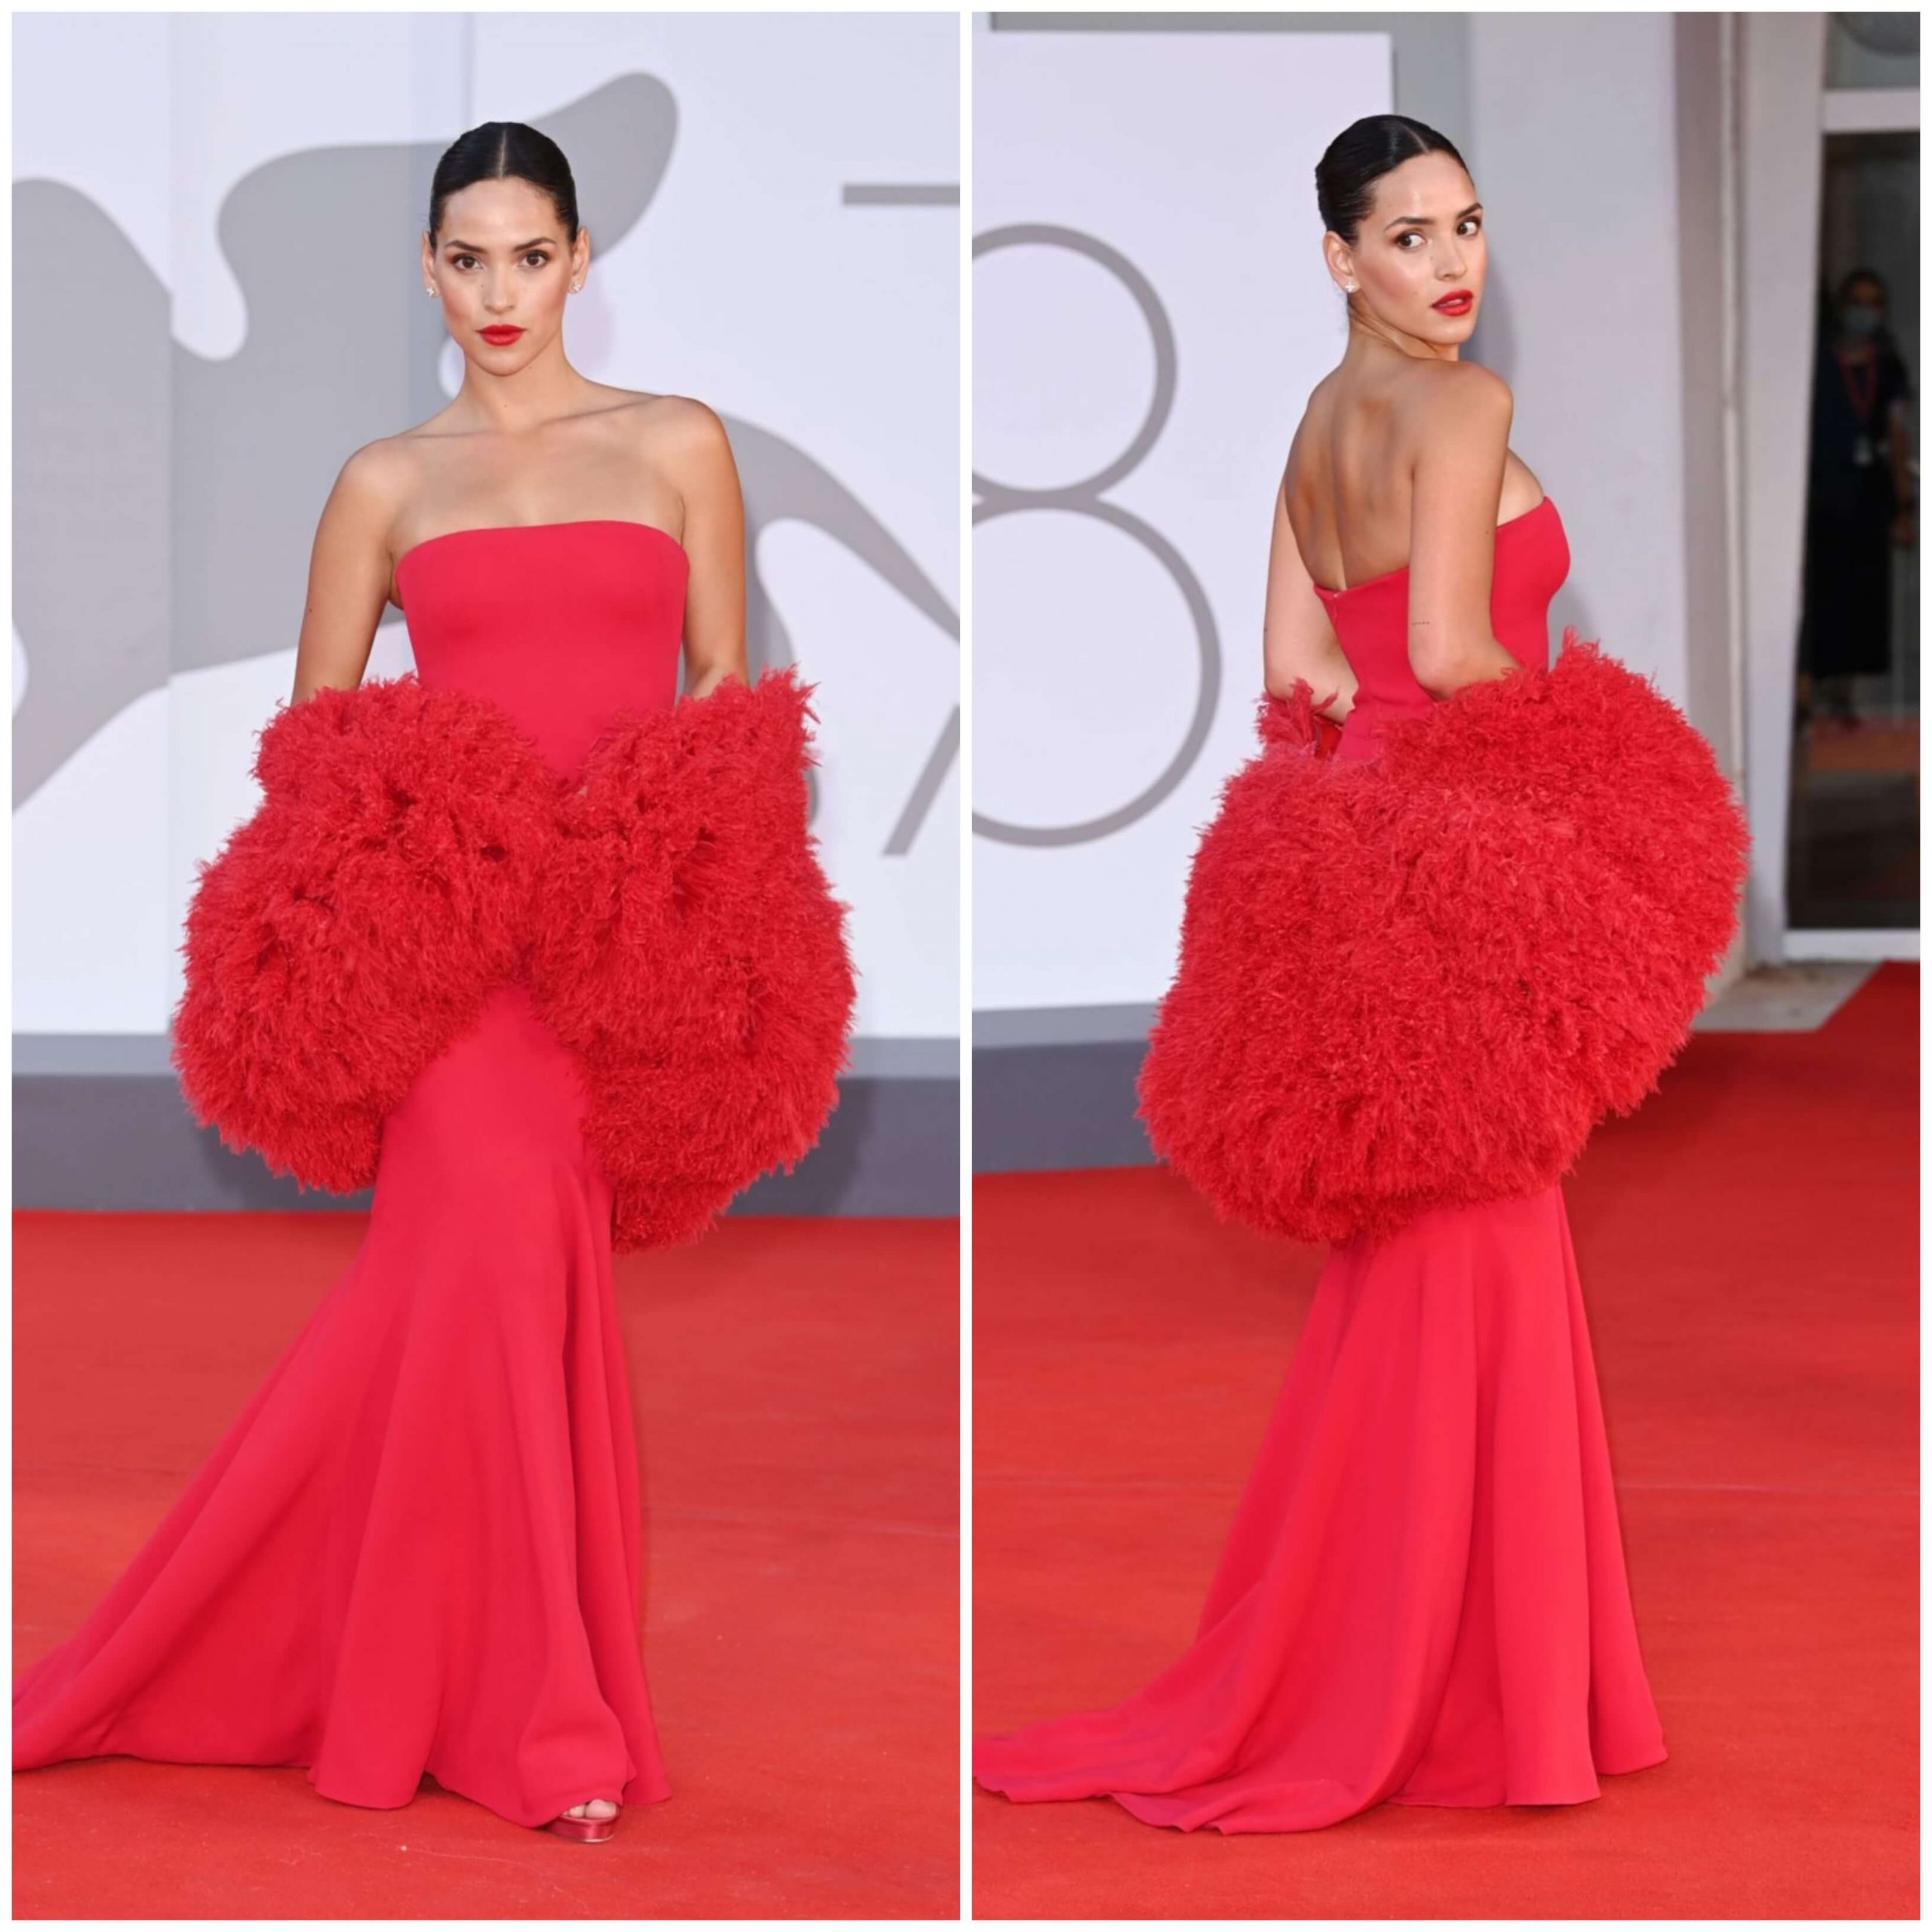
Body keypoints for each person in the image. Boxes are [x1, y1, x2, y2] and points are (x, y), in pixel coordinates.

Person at [14, 122, 854, 1844]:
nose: (495, 292)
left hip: (604, 945)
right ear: (425, 267)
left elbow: (723, 692)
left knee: (501, 1298)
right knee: (468, 1272)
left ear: (579, 256)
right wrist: (425, 877)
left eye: (525, 256)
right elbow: (320, 744)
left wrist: (681, 910)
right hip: (464, 960)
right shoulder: (384, 483)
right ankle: (541, 1716)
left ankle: (364, 1661)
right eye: (463, 259)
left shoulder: (677, 444)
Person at [974, 114, 1744, 1833]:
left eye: (1466, 225)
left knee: (1416, 1270)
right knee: (1484, 1250)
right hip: (1465, 863)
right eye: (1406, 235)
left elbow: (1296, 675)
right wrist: (1602, 789)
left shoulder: (1315, 429)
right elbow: (1466, 648)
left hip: (1371, 853)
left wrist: (1359, 837)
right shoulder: (1462, 409)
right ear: (1338, 258)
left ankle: (1425, 1664)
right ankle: (1461, 1688)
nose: (1452, 262)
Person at [1796, 267, 1917, 728]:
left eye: (1873, 302)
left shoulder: (1888, 365)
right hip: (1821, 496)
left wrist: (1904, 506)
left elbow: (1896, 432)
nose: (1864, 311)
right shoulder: (1818, 361)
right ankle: (1806, 693)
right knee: (1818, 595)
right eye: (1857, 301)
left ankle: (1841, 695)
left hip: (1867, 497)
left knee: (1860, 599)